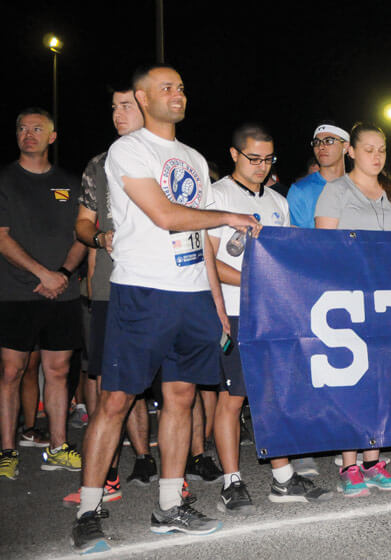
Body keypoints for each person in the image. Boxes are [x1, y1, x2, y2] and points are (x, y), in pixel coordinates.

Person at [70, 65, 260, 553]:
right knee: (115, 400)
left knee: (181, 399)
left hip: (194, 294)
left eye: (180, 86)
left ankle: (169, 506)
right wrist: (229, 214)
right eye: (166, 88)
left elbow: (198, 240)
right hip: (143, 292)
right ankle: (89, 510)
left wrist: (216, 304)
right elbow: (166, 215)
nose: (178, 94)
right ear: (142, 96)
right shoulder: (128, 150)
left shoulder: (193, 157)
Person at [208, 123, 332, 513]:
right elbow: (208, 261)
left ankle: (283, 478)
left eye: (268, 159)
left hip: (273, 314)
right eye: (253, 158)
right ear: (234, 155)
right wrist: (256, 280)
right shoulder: (216, 196)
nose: (261, 166)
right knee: (233, 398)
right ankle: (232, 480)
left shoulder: (278, 202)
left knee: (275, 396)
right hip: (234, 310)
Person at [63, 87, 156, 506]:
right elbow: (83, 224)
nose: (117, 114)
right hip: (109, 290)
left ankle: (153, 464)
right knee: (107, 382)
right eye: (113, 106)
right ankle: (107, 474)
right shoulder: (98, 165)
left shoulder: (168, 160)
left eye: (126, 106)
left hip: (163, 285)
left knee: (172, 385)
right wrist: (99, 236)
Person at [315, 123, 391, 495]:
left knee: (381, 382)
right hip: (349, 299)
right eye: (368, 148)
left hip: (388, 301)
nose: (376, 155)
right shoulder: (335, 192)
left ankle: (373, 460)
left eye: (382, 149)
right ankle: (348, 465)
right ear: (351, 151)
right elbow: (326, 250)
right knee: (352, 381)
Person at [0, 108, 88, 481]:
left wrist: (63, 275)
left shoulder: (70, 181)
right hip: (16, 294)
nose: (28, 134)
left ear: (52, 136)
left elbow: (82, 236)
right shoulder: (5, 179)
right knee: (11, 372)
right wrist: (43, 274)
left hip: (62, 295)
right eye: (22, 128)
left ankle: (57, 445)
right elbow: (1, 237)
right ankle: (7, 451)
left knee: (58, 371)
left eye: (37, 129)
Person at [287, 123, 349, 227]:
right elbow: (294, 238)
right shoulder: (300, 190)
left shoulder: (359, 188)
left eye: (329, 141)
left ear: (346, 147)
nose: (321, 146)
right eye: (316, 142)